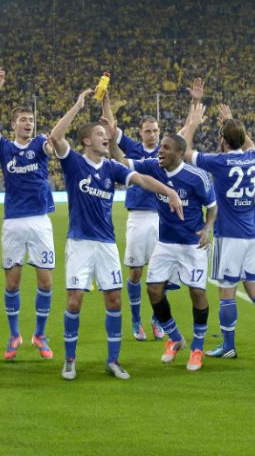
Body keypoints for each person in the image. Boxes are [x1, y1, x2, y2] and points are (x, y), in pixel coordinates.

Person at [48, 87, 183, 381]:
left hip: (107, 244)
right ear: (86, 140)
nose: (105, 137)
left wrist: (168, 190)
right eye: (99, 134)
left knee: (114, 301)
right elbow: (55, 137)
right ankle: (69, 360)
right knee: (74, 301)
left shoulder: (111, 167)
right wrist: (77, 105)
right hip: (80, 242)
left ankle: (113, 360)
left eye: (106, 135)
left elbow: (143, 179)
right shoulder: (73, 163)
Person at [180, 85, 255, 364]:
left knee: (226, 290)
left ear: (224, 141)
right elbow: (248, 143)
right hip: (253, 234)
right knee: (254, 288)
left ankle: (228, 345)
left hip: (230, 235)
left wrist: (192, 122)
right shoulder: (254, 158)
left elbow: (185, 151)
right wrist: (231, 121)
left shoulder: (220, 162)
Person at [109, 109, 217, 371]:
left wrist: (207, 228)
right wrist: (112, 140)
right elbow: (122, 162)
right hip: (165, 243)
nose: (160, 151)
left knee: (197, 292)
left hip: (192, 244)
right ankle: (175, 338)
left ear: (179, 154)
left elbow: (212, 206)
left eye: (166, 148)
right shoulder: (153, 167)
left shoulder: (197, 177)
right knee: (153, 289)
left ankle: (197, 348)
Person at [0, 66, 56, 361]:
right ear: (13, 124)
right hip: (13, 222)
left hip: (39, 220)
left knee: (46, 282)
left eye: (31, 120)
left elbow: (55, 143)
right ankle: (15, 335)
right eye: (23, 120)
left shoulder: (40, 144)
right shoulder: (6, 150)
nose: (28, 123)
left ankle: (40, 334)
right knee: (12, 283)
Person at [112, 112, 166, 341]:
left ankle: (157, 319)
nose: (152, 135)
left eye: (155, 131)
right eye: (147, 131)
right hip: (137, 216)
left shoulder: (166, 151)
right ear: (141, 132)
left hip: (161, 217)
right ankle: (136, 322)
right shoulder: (133, 149)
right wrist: (105, 101)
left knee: (159, 273)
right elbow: (113, 132)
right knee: (136, 271)